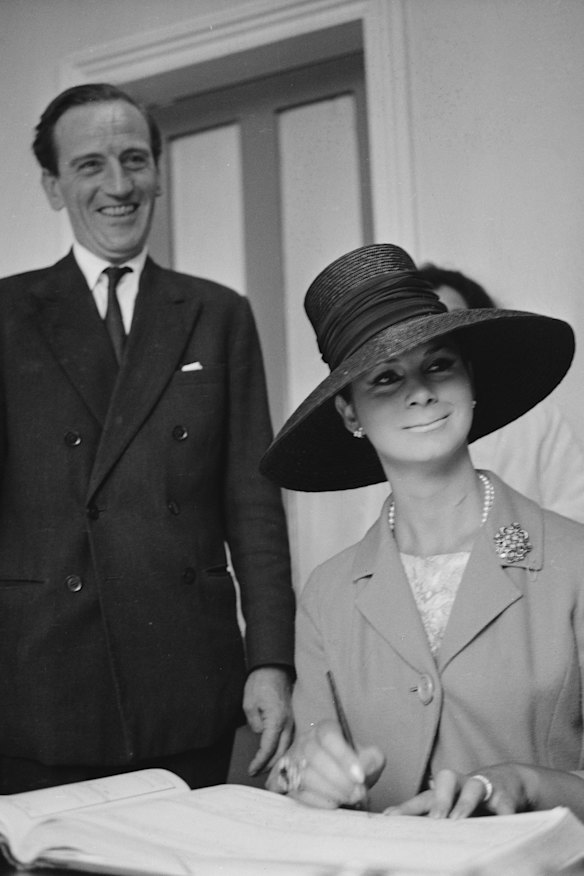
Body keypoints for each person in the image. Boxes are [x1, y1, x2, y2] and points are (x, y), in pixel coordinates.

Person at [0, 83, 295, 794]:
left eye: (135, 159)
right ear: (52, 186)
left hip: (185, 679)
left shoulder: (218, 314)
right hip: (39, 679)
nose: (119, 185)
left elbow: (252, 504)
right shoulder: (6, 314)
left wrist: (271, 660)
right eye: (90, 165)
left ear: (159, 172)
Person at [260, 242, 584, 820]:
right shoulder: (326, 595)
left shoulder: (574, 561)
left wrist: (526, 782)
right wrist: (304, 775)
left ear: (470, 379)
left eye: (439, 363)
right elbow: (308, 777)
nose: (420, 391)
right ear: (350, 413)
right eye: (385, 377)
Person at [418, 263, 584, 522]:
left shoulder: (535, 416)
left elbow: (575, 509)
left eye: (455, 321)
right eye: (430, 324)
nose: (444, 337)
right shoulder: (407, 423)